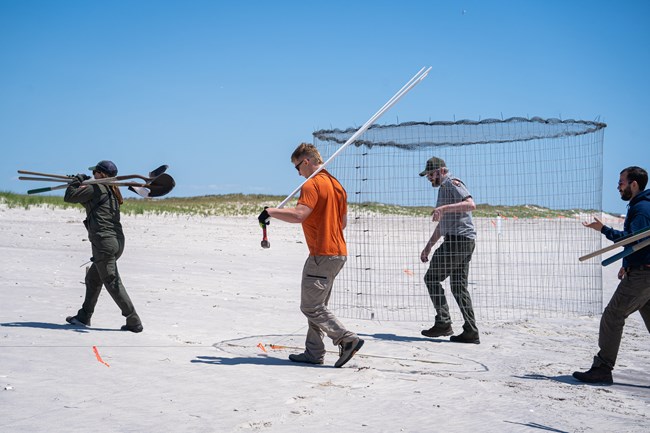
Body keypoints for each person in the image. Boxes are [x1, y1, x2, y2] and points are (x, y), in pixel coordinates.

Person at [259, 143, 363, 368]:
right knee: (318, 305)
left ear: (306, 161)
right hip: (338, 253)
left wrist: (270, 212)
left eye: (297, 167)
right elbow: (342, 223)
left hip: (322, 254)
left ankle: (346, 339)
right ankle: (314, 352)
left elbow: (299, 215)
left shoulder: (312, 184)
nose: (297, 172)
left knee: (311, 307)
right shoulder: (337, 185)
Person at [573, 166, 650, 384]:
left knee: (613, 316)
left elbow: (632, 239)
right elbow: (642, 242)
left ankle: (603, 368)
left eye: (621, 182)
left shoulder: (642, 208)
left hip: (643, 275)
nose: (618, 186)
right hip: (642, 270)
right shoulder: (643, 205)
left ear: (634, 184)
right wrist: (627, 263)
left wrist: (603, 229)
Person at [64, 160, 143, 333]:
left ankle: (133, 320)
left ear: (101, 174)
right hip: (118, 242)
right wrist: (81, 182)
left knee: (112, 282)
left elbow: (69, 197)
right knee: (93, 279)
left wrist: (75, 182)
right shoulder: (113, 190)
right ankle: (84, 316)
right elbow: (85, 201)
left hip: (104, 243)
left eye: (95, 173)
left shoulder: (95, 188)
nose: (93, 176)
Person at [419, 157, 480, 344]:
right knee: (458, 287)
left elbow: (471, 204)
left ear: (441, 171)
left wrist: (444, 207)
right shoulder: (443, 190)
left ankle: (443, 323)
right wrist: (428, 246)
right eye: (428, 175)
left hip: (458, 240)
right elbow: (442, 225)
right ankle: (470, 332)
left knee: (431, 278)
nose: (429, 178)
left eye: (430, 174)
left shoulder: (453, 184)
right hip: (463, 240)